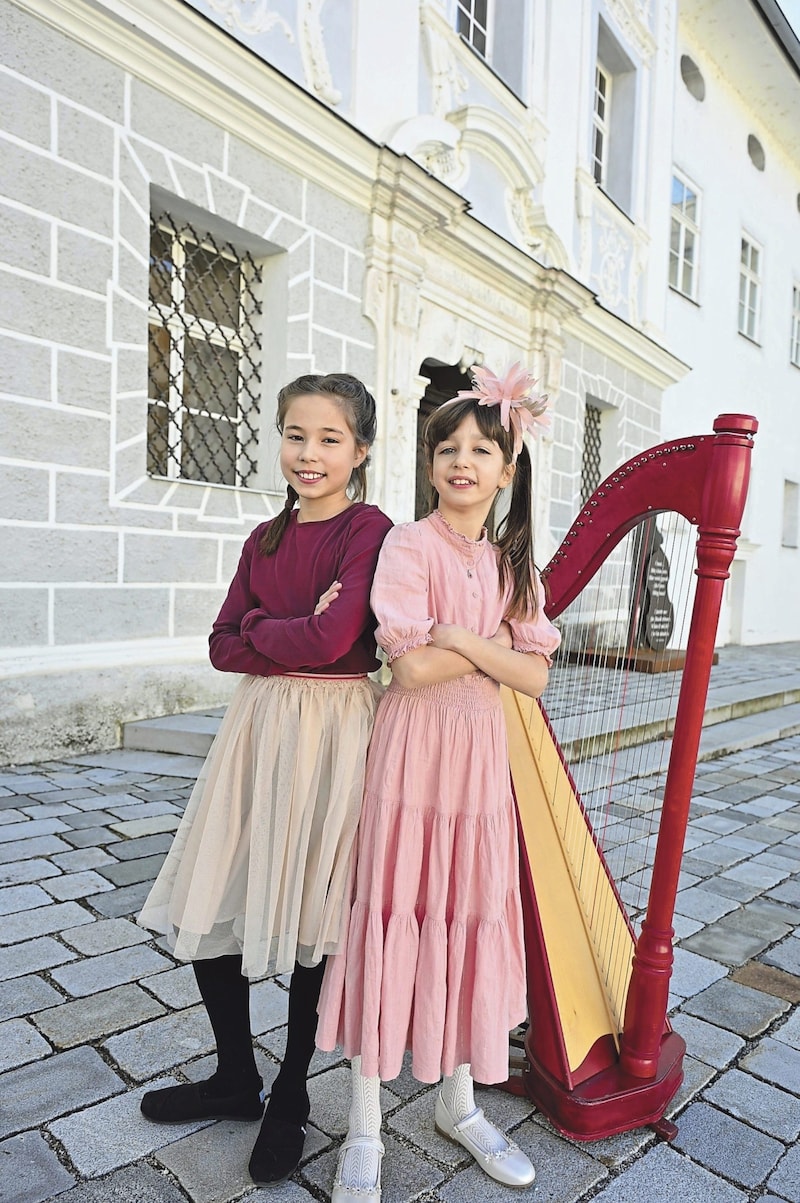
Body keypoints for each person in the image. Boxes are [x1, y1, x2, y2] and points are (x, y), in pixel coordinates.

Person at [137, 372, 392, 1186]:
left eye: (328, 438)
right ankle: (235, 1075)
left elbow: (336, 640)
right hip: (256, 730)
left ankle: (289, 1095)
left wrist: (265, 628)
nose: (308, 453)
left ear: (360, 450)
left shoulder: (369, 529)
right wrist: (275, 626)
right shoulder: (264, 537)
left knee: (315, 904)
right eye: (295, 433)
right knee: (217, 890)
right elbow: (222, 643)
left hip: (332, 732)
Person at [316, 364, 562, 1201]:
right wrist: (487, 645)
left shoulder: (513, 561)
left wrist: (466, 633)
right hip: (413, 755)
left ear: (506, 467)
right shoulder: (408, 545)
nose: (463, 461)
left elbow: (534, 681)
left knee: (462, 911)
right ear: (430, 465)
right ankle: (363, 1126)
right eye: (447, 448)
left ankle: (458, 1103)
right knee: (393, 911)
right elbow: (412, 665)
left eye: (482, 448)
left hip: (476, 765)